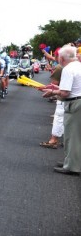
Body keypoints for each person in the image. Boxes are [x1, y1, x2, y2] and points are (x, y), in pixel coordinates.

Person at [42, 45, 81, 176]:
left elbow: (64, 92)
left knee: (72, 136)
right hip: (78, 101)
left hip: (75, 104)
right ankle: (70, 161)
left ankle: (72, 166)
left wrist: (52, 92)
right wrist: (56, 87)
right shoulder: (78, 66)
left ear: (62, 58)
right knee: (76, 136)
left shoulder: (68, 69)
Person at [37, 48, 63, 149]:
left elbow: (55, 85)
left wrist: (49, 91)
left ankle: (53, 141)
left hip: (66, 100)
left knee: (59, 119)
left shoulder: (60, 67)